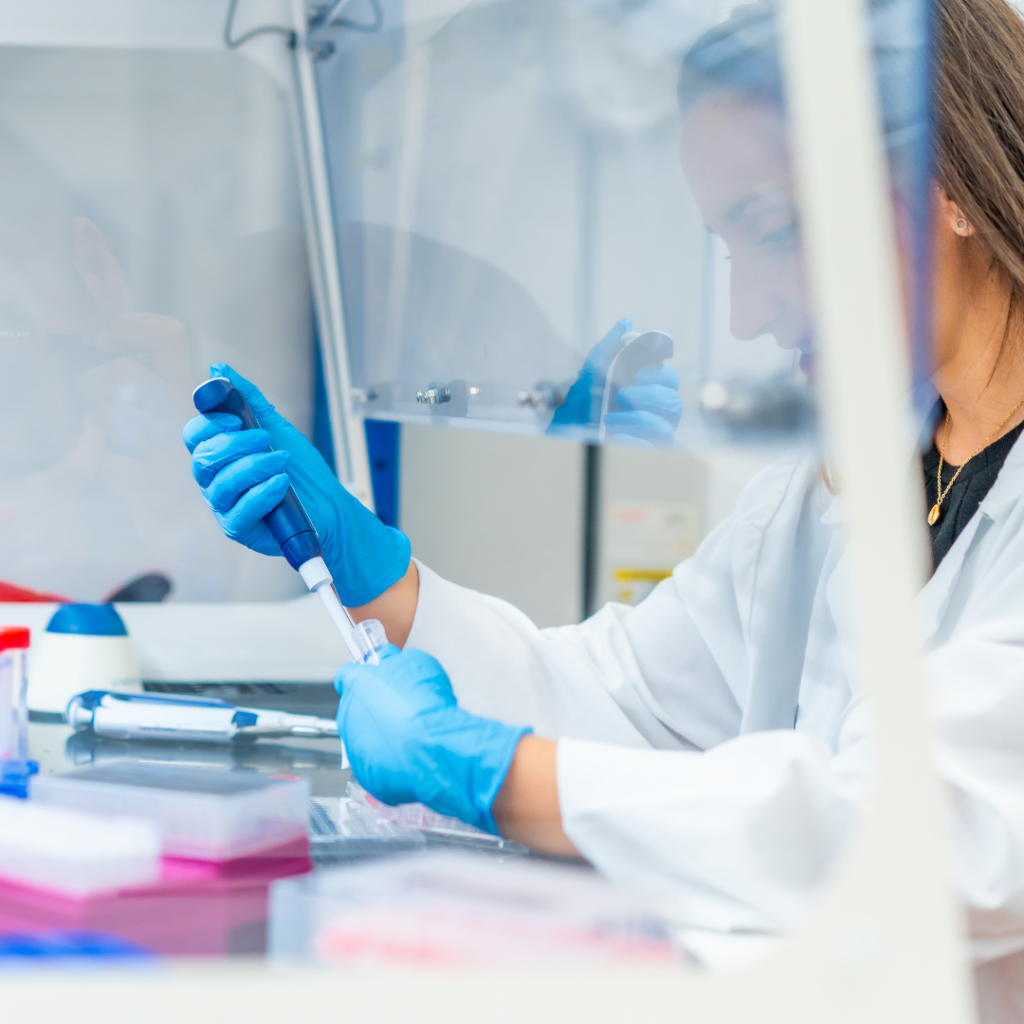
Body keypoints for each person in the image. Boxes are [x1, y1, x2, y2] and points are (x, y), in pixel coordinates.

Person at [184, 0, 1024, 1015]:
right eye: (729, 249)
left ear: (947, 187)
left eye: (773, 231)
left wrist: (493, 776)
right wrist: (385, 580)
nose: (749, 314)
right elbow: (624, 702)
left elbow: (917, 842)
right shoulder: (836, 491)